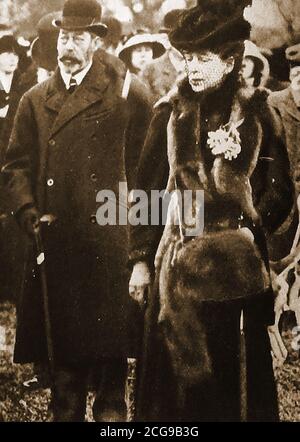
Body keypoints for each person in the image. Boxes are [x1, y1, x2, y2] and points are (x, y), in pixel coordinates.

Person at [129, 0, 293, 422]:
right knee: (177, 395)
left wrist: (246, 231)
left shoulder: (259, 114)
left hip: (237, 276)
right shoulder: (170, 115)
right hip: (178, 273)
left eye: (204, 59)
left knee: (235, 388)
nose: (193, 69)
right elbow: (145, 194)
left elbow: (281, 194)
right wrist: (140, 262)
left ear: (232, 61)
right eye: (188, 59)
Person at [1, 0, 152, 422]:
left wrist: (139, 248)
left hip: (109, 247)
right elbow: (16, 166)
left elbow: (150, 171)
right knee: (64, 387)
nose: (69, 44)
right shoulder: (34, 99)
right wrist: (28, 213)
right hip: (57, 246)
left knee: (110, 386)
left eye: (79, 37)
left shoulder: (128, 93)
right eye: (64, 36)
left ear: (96, 42)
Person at [141, 9, 186, 102]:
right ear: (167, 39)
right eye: (178, 37)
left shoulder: (200, 66)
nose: (184, 43)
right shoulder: (150, 69)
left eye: (189, 37)